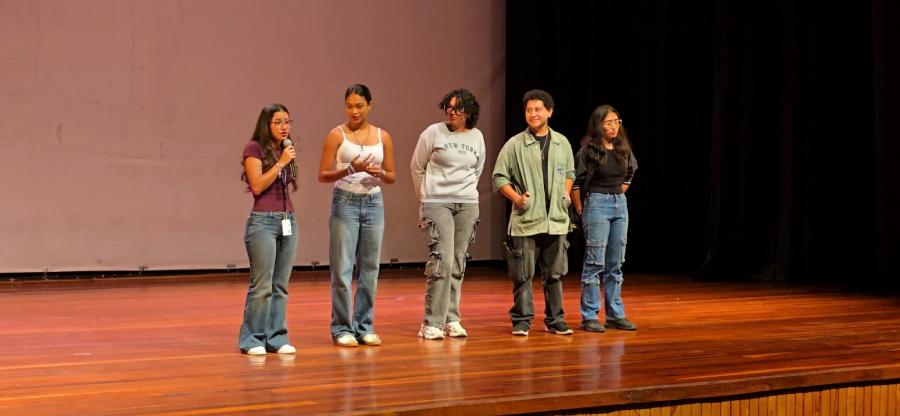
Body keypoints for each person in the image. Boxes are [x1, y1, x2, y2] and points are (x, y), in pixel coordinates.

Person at [492, 89, 576, 336]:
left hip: (556, 220)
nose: (533, 114)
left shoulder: (561, 142)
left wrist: (565, 192)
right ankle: (522, 320)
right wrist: (517, 199)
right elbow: (499, 178)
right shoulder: (515, 144)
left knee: (554, 275)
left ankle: (555, 319)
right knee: (522, 275)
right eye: (529, 110)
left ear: (549, 112)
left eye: (538, 109)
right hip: (526, 219)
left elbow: (570, 173)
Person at [317, 84, 396, 347]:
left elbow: (391, 176)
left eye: (359, 106)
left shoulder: (383, 136)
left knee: (370, 269)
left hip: (373, 203)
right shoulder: (336, 135)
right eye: (349, 106)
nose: (354, 111)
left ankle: (364, 326)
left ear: (370, 105)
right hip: (345, 203)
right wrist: (349, 169)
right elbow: (323, 175)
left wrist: (379, 173)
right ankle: (342, 328)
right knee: (342, 270)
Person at [410, 88, 486, 340]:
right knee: (441, 260)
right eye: (448, 107)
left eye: (458, 108)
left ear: (469, 112)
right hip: (437, 202)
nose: (451, 112)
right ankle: (431, 322)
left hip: (467, 204)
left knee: (457, 261)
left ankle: (451, 319)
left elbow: (477, 170)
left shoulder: (477, 136)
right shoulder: (433, 133)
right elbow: (417, 167)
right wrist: (425, 198)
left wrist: (464, 192)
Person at [571, 105, 638, 332]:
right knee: (594, 263)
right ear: (598, 125)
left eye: (616, 122)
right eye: (608, 122)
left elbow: (630, 173)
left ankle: (615, 314)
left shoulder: (623, 148)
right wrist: (581, 208)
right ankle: (590, 315)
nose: (613, 127)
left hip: (620, 205)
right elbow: (575, 182)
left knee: (616, 263)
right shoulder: (588, 150)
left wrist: (617, 194)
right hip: (596, 204)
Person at [238, 103, 299, 355]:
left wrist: (285, 159)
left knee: (280, 285)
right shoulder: (254, 148)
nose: (284, 127)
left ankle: (277, 337)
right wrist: (281, 163)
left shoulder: (285, 148)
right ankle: (252, 339)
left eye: (287, 122)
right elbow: (257, 186)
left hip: (288, 219)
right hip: (263, 221)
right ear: (267, 124)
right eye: (278, 122)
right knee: (262, 286)